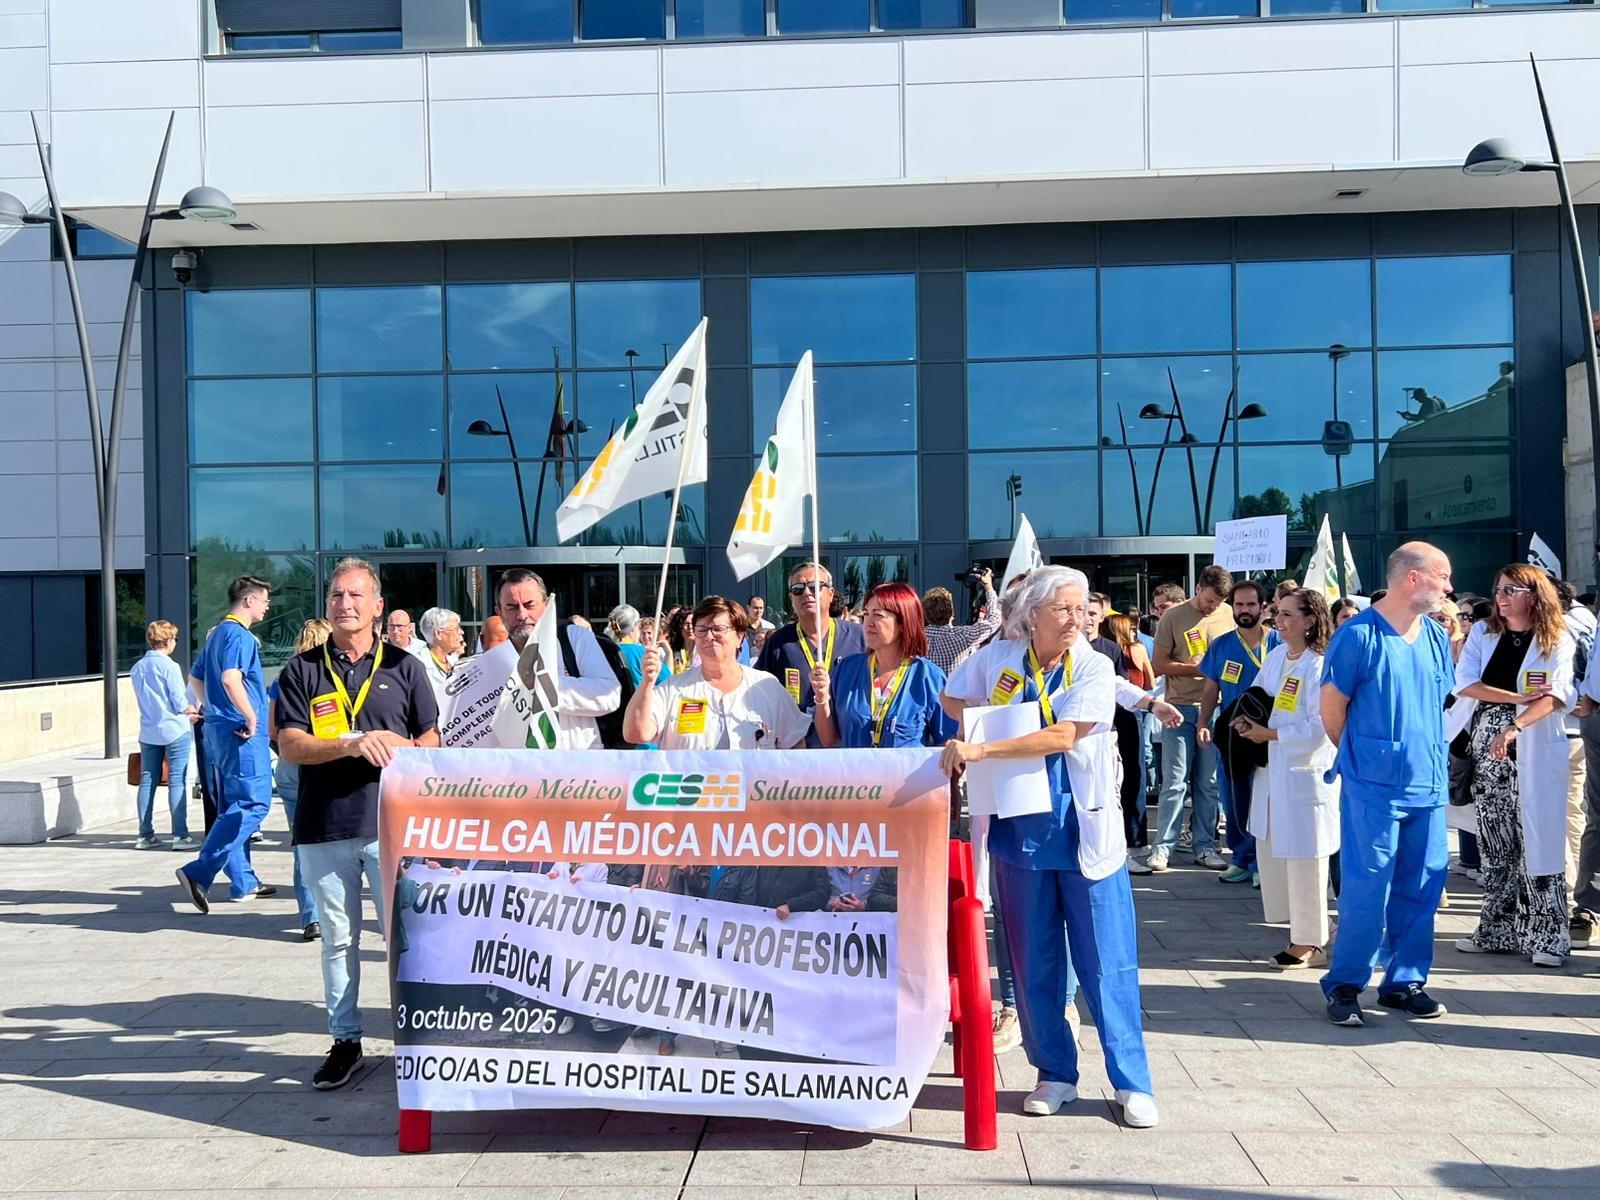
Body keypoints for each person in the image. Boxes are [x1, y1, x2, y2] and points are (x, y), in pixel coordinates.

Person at [938, 566, 1158, 1128]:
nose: (1076, 618)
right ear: (1031, 613)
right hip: (1020, 830)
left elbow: (1066, 734)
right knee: (1033, 962)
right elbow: (950, 698)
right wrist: (986, 719)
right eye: (1062, 608)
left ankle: (1132, 1081)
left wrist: (987, 747)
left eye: (1081, 608)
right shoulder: (998, 657)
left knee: (1106, 961)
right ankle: (1054, 1072)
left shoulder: (1094, 663)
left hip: (1082, 830)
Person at [276, 557, 440, 1090]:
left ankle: (417, 1040)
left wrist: (404, 748)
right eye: (335, 596)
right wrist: (349, 742)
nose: (344, 605)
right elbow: (291, 744)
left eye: (354, 596)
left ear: (377, 606)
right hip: (325, 826)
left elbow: (433, 740)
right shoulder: (302, 669)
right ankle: (345, 1040)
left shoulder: (404, 666)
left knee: (406, 938)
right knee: (338, 940)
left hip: (394, 828)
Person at [1320, 542, 1455, 1027]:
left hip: (1428, 782)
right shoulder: (1358, 635)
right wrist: (1362, 755)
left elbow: (1439, 702)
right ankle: (1345, 984)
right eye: (1443, 576)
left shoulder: (1437, 637)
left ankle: (1403, 982)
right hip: (1374, 785)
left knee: (1422, 885)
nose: (1449, 587)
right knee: (1366, 887)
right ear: (1413, 578)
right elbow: (1331, 707)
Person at [1449, 565, 1574, 968]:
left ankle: (1548, 936)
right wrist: (1515, 698)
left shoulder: (1556, 637)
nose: (1500, 597)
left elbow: (1556, 694)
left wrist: (1516, 724)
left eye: (1509, 590)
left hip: (1533, 743)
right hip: (1490, 745)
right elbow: (1465, 682)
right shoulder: (1484, 634)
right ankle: (1497, 929)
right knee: (1496, 840)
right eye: (1497, 589)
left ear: (1533, 596)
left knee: (1539, 841)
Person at [1233, 589, 1339, 969]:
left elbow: (1322, 725)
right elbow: (1257, 695)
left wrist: (1273, 735)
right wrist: (1245, 720)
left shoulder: (1319, 664)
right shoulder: (1277, 655)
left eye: (1288, 614)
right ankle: (1310, 924)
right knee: (1275, 851)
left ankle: (1309, 942)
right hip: (1271, 769)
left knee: (1305, 858)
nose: (1278, 619)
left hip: (1303, 773)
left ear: (1310, 621)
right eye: (1277, 613)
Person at [176, 576, 277, 911]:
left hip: (220, 729)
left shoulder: (217, 632)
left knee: (233, 805)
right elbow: (230, 677)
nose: (267, 606)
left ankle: (243, 880)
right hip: (241, 732)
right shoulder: (238, 635)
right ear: (249, 600)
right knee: (254, 803)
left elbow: (196, 677)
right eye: (264, 600)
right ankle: (200, 871)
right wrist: (249, 715)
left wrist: (211, 708)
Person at [623, 596, 812, 750]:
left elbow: (795, 743)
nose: (709, 636)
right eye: (702, 630)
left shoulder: (766, 686)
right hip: (690, 795)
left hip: (753, 795)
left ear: (739, 636)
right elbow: (635, 734)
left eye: (718, 629)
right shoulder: (673, 689)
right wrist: (647, 682)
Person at [1149, 565, 1237, 872]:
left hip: (1217, 708)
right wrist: (1196, 669)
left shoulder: (1229, 614)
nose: (1213, 607)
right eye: (1210, 599)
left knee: (1208, 783)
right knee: (1174, 782)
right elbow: (1158, 664)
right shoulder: (1173, 616)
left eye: (1218, 602)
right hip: (1180, 707)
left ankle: (1205, 845)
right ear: (1198, 587)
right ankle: (1163, 846)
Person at [1197, 581, 1278, 886]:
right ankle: (1241, 858)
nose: (1245, 611)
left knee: (1265, 799)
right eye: (1239, 605)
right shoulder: (1221, 645)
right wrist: (1204, 723)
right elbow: (1210, 689)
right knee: (1234, 799)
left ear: (1263, 606)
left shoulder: (1280, 644)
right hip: (1232, 735)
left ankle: (1262, 861)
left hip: (1269, 733)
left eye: (1251, 605)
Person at [815, 581, 956, 751]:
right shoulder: (847, 668)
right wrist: (822, 698)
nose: (868, 622)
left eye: (878, 615)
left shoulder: (928, 677)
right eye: (866, 614)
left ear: (904, 622)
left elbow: (948, 742)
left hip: (906, 777)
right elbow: (828, 740)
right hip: (855, 776)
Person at [494, 568, 622, 748]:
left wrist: (542, 686)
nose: (522, 615)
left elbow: (609, 695)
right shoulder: (494, 663)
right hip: (520, 769)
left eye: (529, 605)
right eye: (512, 607)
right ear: (499, 611)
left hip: (577, 767)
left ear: (546, 605)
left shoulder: (573, 638)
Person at [269, 617, 332, 942]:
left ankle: (311, 917)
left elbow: (272, 730)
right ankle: (330, 910)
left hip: (289, 767)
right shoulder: (328, 676)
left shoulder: (284, 676)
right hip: (321, 763)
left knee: (301, 844)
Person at [757, 562, 867, 747]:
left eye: (815, 587)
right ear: (791, 598)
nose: (807, 593)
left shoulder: (859, 637)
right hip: (799, 751)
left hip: (850, 750)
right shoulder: (778, 643)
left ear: (831, 594)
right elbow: (762, 694)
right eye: (798, 589)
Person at [131, 619, 197, 850]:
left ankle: (144, 834)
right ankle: (180, 835)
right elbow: (179, 701)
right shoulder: (170, 666)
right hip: (174, 728)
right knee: (177, 780)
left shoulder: (137, 667)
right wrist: (193, 710)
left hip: (148, 729)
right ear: (169, 641)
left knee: (147, 779)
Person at [922, 570, 1001, 675]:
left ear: (926, 614)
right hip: (953, 690)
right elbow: (994, 620)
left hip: (926, 691)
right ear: (952, 612)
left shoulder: (916, 639)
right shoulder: (962, 635)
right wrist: (989, 588)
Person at [417, 607, 465, 710]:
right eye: (456, 629)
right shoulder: (418, 666)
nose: (461, 632)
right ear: (439, 634)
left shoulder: (454, 662)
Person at [608, 604, 648, 687]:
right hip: (638, 698)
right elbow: (666, 677)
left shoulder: (605, 649)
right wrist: (668, 651)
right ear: (633, 628)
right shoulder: (641, 652)